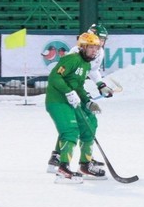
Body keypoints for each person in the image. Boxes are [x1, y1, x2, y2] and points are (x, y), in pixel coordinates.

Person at [46, 23, 113, 173]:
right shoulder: (75, 54)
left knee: (89, 122)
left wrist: (100, 86)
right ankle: (58, 156)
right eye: (98, 40)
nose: (99, 45)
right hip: (63, 95)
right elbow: (63, 77)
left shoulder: (97, 52)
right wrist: (70, 93)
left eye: (103, 40)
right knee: (70, 126)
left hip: (76, 92)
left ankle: (85, 160)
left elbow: (90, 72)